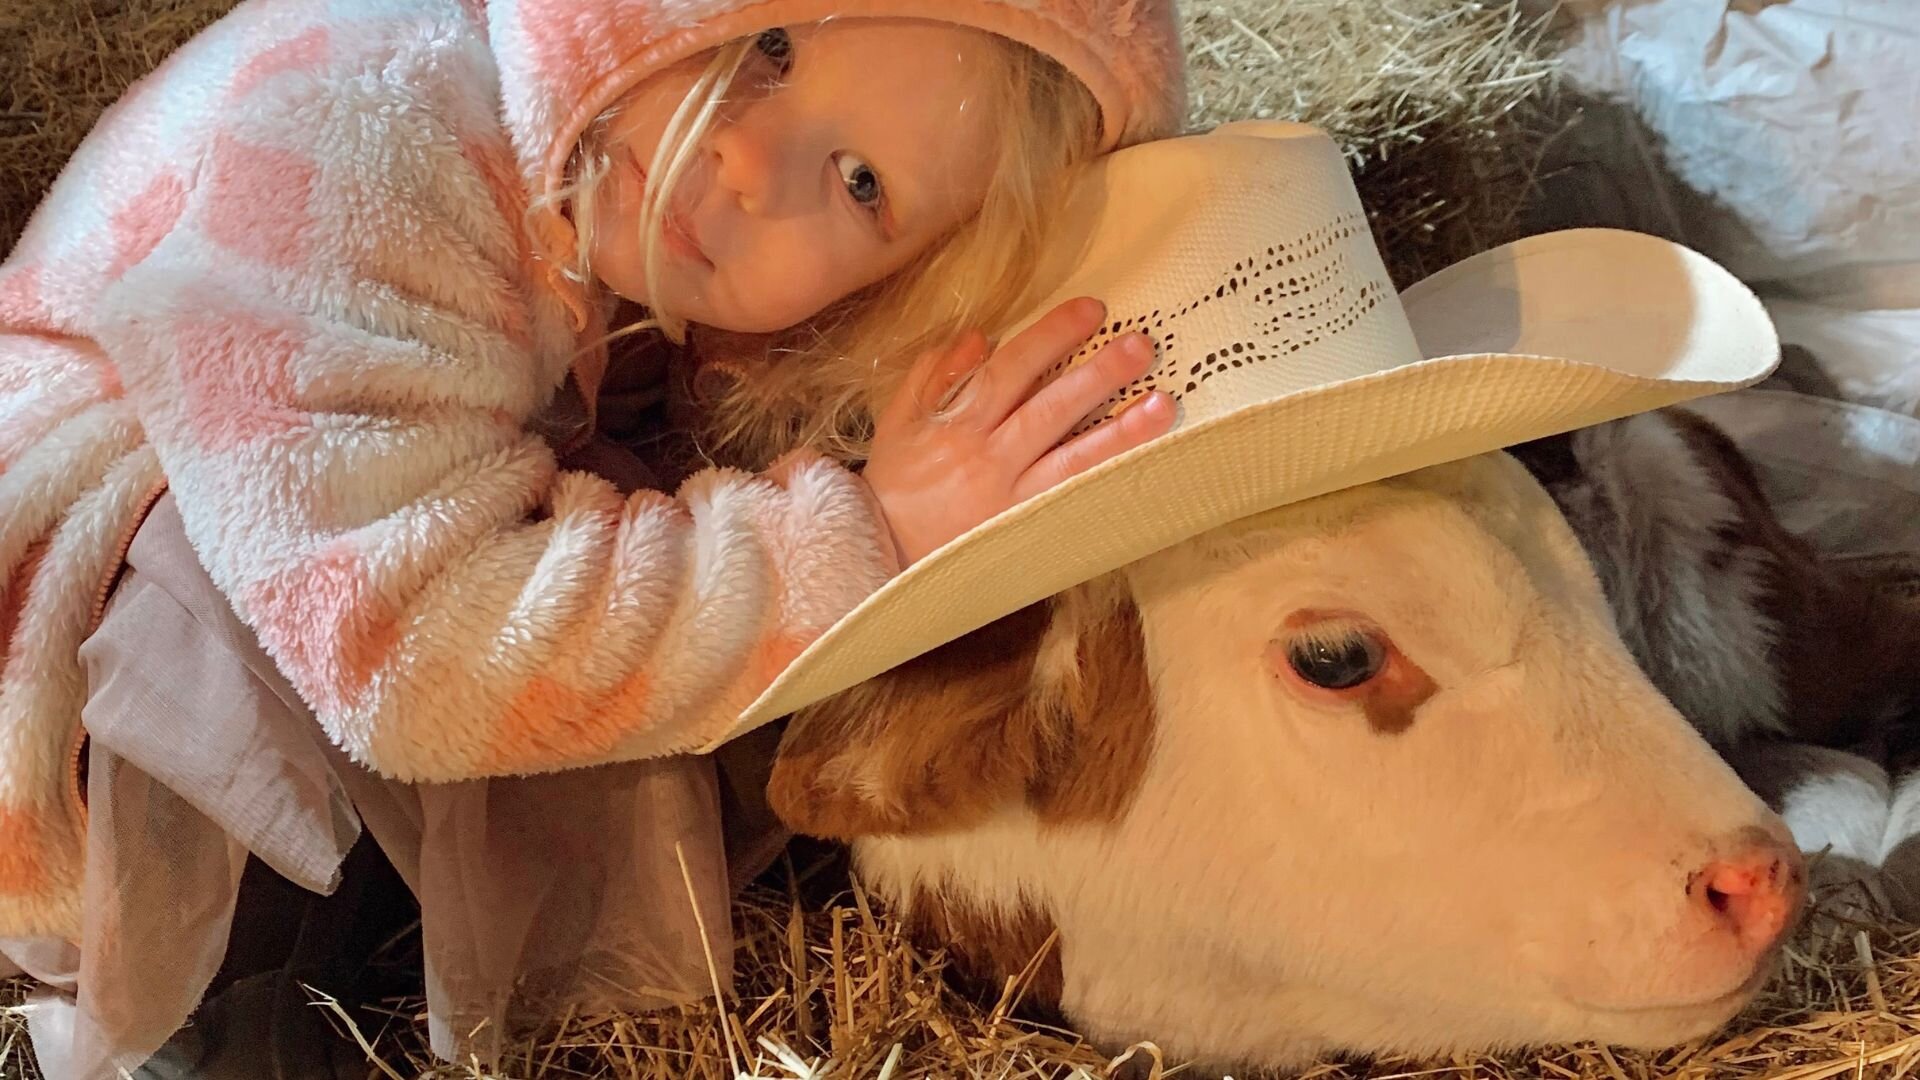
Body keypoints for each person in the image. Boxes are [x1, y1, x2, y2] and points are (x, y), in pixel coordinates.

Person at [0, 1, 1186, 1075]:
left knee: (646, 551)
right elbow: (405, 654)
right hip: (59, 613)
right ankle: (218, 1002)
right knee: (236, 605)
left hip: (374, 540)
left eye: (864, 183)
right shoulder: (371, 133)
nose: (747, 164)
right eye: (767, 44)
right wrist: (864, 529)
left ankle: (360, 917)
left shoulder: (613, 191)